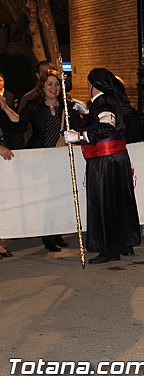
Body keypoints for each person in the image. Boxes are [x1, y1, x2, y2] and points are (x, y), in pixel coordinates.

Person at [63, 68, 141, 264]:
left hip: (105, 161)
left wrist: (79, 136)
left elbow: (107, 127)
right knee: (119, 201)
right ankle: (124, 243)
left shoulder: (104, 101)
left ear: (91, 84)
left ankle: (109, 249)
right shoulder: (109, 100)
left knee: (105, 202)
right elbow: (110, 120)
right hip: (116, 159)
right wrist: (88, 112)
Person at [17, 69, 82, 252]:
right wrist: (6, 109)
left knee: (61, 196)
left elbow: (78, 129)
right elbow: (20, 126)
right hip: (42, 159)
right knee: (46, 198)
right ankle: (48, 235)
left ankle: (57, 232)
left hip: (61, 158)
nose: (54, 88)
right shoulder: (33, 106)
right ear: (42, 86)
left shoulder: (67, 107)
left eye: (57, 84)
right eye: (50, 84)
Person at [17, 60, 51, 149]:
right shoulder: (29, 98)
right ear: (38, 75)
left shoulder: (63, 99)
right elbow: (22, 125)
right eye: (43, 73)